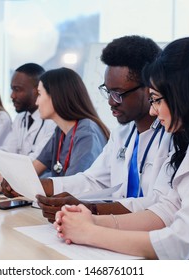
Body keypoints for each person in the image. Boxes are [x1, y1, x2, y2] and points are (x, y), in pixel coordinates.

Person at [54, 37, 189, 259]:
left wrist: (89, 232)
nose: (153, 111)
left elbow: (178, 243)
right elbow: (166, 210)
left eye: (156, 100)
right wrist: (93, 220)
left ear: (185, 95)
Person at [36, 35, 169, 221]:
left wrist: (91, 209)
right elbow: (93, 180)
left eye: (118, 93)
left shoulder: (172, 137)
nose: (111, 102)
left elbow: (160, 204)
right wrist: (40, 186)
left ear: (149, 88)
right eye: (108, 91)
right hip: (118, 227)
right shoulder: (123, 134)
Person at [1, 63, 56, 160]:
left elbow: (37, 160)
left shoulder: (53, 122)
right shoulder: (20, 118)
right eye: (12, 89)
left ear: (38, 90)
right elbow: (7, 151)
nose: (12, 96)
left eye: (17, 89)